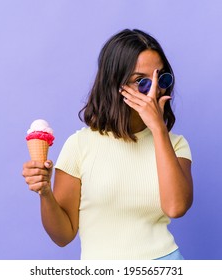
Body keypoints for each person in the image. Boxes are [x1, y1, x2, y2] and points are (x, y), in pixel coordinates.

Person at [22, 29, 193, 260]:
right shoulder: (79, 145)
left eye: (162, 78)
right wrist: (45, 193)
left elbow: (176, 207)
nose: (154, 91)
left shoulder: (176, 145)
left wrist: (158, 130)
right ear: (115, 85)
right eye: (142, 82)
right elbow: (63, 236)